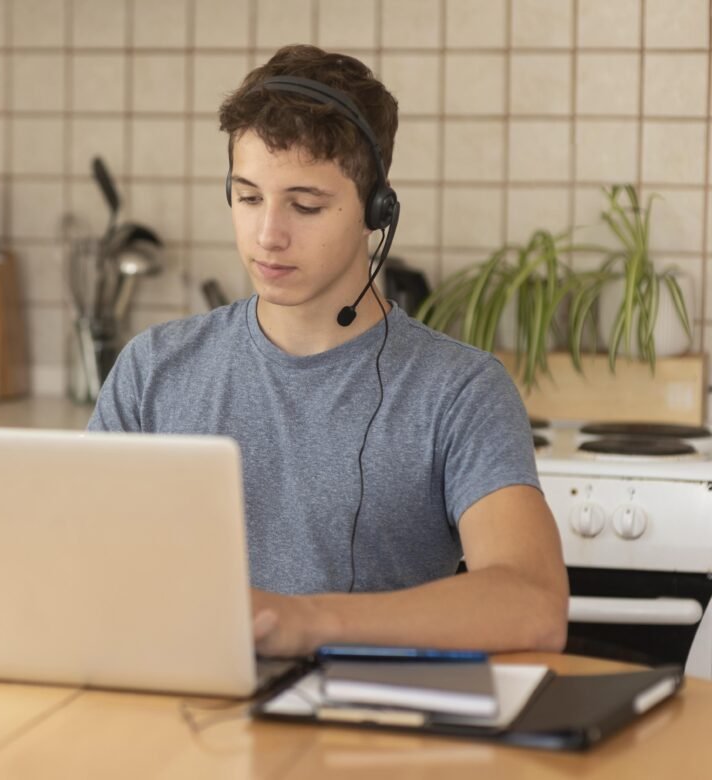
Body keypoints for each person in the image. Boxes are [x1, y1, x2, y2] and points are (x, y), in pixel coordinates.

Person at [88, 44, 568, 658]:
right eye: (248, 197)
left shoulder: (461, 391)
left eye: (306, 205)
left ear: (376, 212)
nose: (268, 235)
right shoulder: (152, 370)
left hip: (373, 733)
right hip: (184, 723)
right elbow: (81, 566)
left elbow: (533, 604)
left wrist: (304, 621)